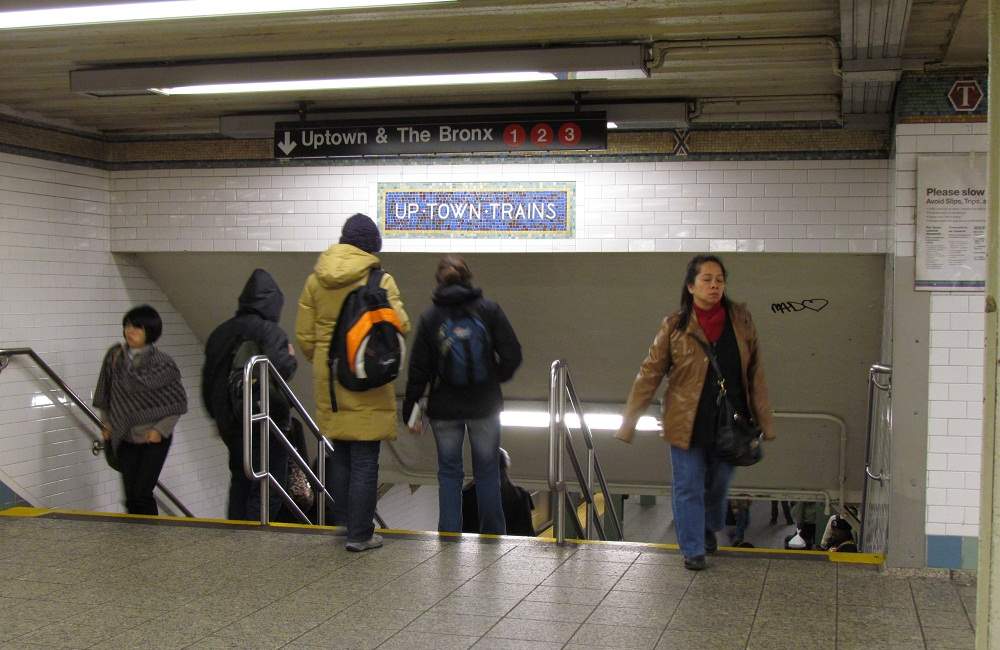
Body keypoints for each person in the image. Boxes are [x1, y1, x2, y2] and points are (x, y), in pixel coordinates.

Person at [614, 254, 773, 571]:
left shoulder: (740, 320)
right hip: (685, 421)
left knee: (717, 486)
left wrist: (765, 421)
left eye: (719, 280)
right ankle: (692, 550)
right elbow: (650, 373)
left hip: (730, 421)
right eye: (707, 279)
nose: (715, 285)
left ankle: (706, 527)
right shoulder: (675, 325)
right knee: (687, 485)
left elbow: (755, 372)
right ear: (690, 286)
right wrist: (628, 422)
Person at [296, 213, 410, 552]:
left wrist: (325, 361)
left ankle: (344, 522)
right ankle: (360, 534)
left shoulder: (315, 280)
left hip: (329, 378)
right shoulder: (381, 280)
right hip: (366, 379)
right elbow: (400, 326)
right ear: (373, 246)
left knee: (341, 454)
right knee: (364, 458)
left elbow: (305, 337)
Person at [402, 255, 522, 535]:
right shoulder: (489, 310)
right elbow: (512, 353)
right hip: (485, 405)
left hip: (444, 408)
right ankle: (493, 534)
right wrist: (495, 378)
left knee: (449, 474)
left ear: (439, 282)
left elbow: (419, 368)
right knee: (488, 471)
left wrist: (410, 408)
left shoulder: (431, 318)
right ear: (469, 278)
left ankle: (449, 534)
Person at [202, 269, 297, 521]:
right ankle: (256, 538)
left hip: (231, 422)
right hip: (264, 420)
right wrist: (290, 356)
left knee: (241, 478)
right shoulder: (269, 331)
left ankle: (236, 537)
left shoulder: (220, 333)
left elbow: (208, 379)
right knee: (269, 482)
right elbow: (282, 370)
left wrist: (218, 416)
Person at [93, 305, 187, 515]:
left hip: (153, 438)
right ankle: (134, 541)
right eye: (127, 326)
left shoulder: (163, 363)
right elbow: (106, 395)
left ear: (150, 331)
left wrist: (159, 430)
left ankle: (148, 541)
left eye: (138, 327)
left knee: (141, 493)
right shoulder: (114, 357)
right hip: (124, 434)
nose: (130, 331)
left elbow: (176, 403)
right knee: (130, 497)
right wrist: (106, 421)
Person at [461, 448, 535, 537]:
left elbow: (464, 528)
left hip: (476, 546)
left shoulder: (467, 494)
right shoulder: (521, 495)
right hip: (511, 546)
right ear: (506, 466)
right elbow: (527, 532)